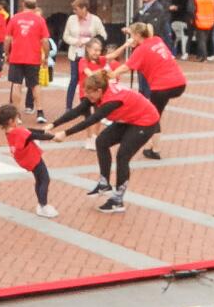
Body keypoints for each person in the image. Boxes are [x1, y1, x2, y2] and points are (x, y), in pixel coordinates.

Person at [45, 71, 160, 215]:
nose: (88, 96)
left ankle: (118, 200)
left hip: (146, 121)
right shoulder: (97, 94)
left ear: (99, 91)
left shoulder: (111, 101)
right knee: (101, 141)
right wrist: (53, 125)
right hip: (130, 118)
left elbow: (91, 120)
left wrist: (65, 133)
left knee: (122, 156)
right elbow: (77, 111)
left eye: (90, 93)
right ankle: (104, 184)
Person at [112, 22, 186, 160]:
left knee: (154, 116)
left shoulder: (141, 50)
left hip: (162, 86)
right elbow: (149, 28)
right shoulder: (157, 40)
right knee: (157, 111)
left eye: (132, 35)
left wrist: (111, 74)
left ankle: (155, 149)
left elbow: (126, 67)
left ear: (138, 35)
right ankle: (151, 144)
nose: (131, 38)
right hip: (179, 82)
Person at [0, 104, 60, 219]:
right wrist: (53, 137)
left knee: (39, 179)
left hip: (26, 160)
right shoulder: (19, 133)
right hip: (33, 158)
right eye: (17, 119)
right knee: (45, 179)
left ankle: (41, 204)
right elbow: (33, 135)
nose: (18, 121)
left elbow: (29, 131)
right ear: (11, 121)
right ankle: (43, 205)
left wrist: (44, 131)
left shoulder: (11, 131)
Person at [0, 0, 51, 120]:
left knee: (16, 84)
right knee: (35, 85)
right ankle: (40, 112)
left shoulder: (15, 18)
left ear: (23, 4)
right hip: (33, 57)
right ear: (35, 6)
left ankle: (16, 114)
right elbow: (45, 41)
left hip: (16, 56)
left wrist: (6, 53)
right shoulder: (40, 20)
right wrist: (46, 56)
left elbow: (7, 39)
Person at [62, 0, 106, 108]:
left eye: (76, 9)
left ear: (84, 9)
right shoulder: (71, 19)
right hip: (76, 54)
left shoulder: (95, 20)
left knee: (90, 79)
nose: (75, 12)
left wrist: (92, 42)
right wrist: (76, 42)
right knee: (74, 79)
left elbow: (103, 35)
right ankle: (68, 106)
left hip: (90, 55)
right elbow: (66, 36)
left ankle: (93, 103)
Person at [191, 0, 214, 65]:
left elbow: (193, 11)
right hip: (210, 22)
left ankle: (204, 57)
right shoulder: (212, 0)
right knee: (205, 40)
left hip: (200, 22)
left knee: (201, 41)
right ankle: (203, 57)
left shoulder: (197, 0)